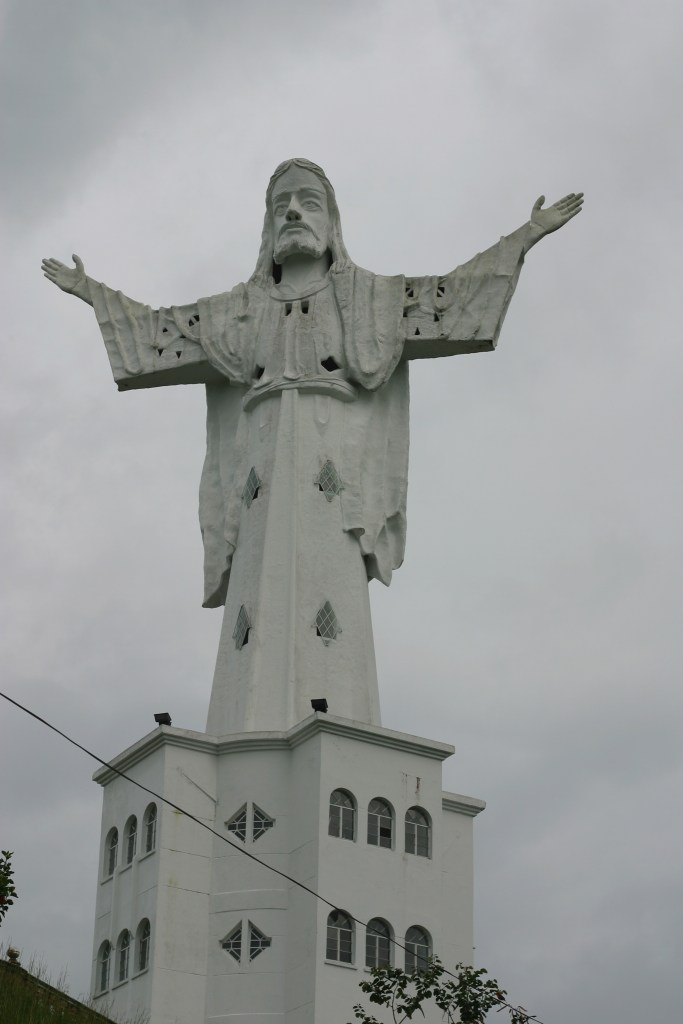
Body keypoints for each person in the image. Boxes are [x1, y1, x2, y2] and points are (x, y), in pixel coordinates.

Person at [42, 158, 582, 734]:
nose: (293, 212)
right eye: (281, 205)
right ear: (268, 229)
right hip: (261, 472)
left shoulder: (373, 300)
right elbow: (157, 334)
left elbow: (451, 301)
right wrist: (91, 292)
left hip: (335, 475)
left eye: (307, 201)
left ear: (332, 222)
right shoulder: (235, 314)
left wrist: (522, 239)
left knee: (333, 607)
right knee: (257, 604)